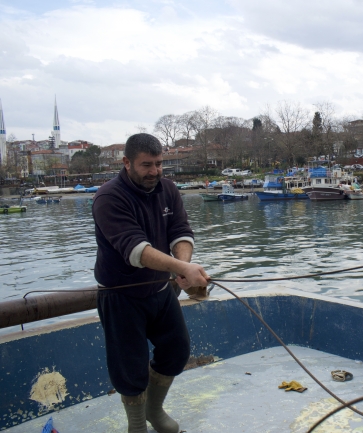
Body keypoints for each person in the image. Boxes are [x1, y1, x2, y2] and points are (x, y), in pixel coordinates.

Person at [92, 133, 210, 433]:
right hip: (120, 296)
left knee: (177, 351)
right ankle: (137, 426)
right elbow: (135, 250)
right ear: (127, 163)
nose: (155, 172)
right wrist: (182, 266)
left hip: (160, 290)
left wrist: (182, 265)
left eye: (159, 164)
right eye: (147, 165)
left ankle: (154, 412)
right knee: (129, 367)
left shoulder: (167, 188)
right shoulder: (109, 197)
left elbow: (180, 231)